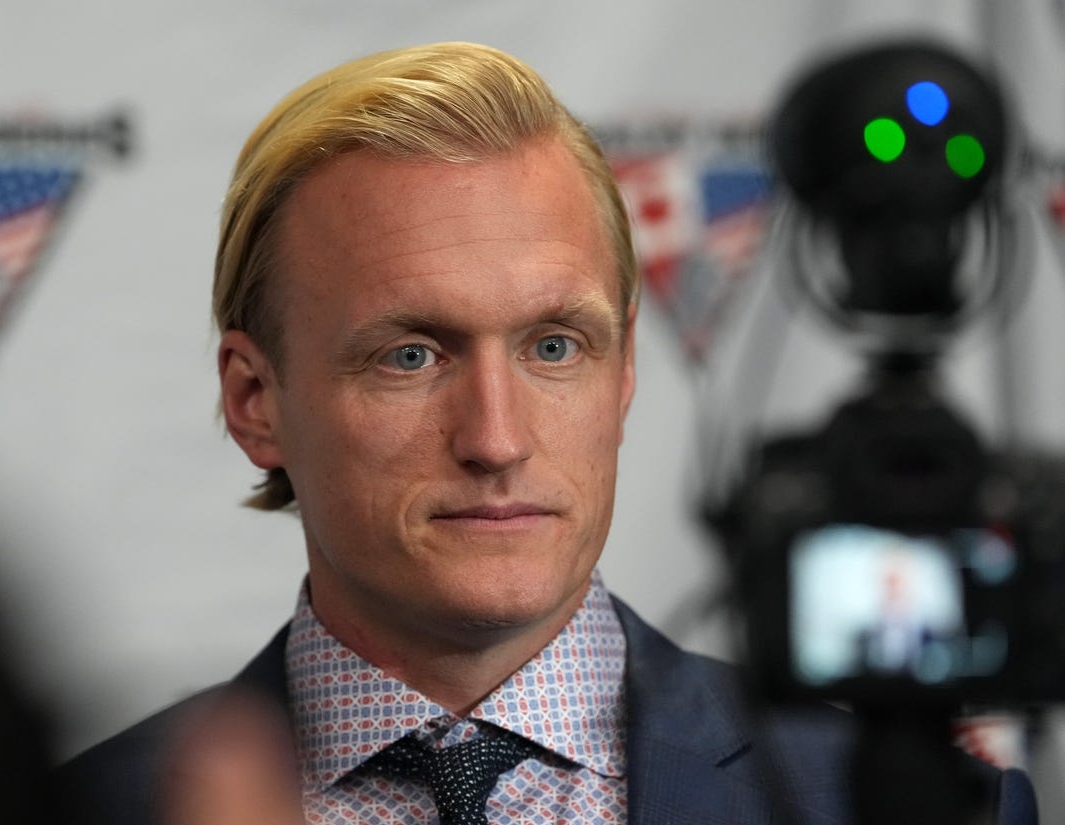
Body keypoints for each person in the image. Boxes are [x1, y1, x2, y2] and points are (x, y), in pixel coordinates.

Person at [56, 41, 1038, 825]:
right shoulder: (71, 808)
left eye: (554, 347)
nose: (495, 439)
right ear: (253, 401)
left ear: (624, 374)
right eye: (411, 356)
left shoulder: (924, 810)